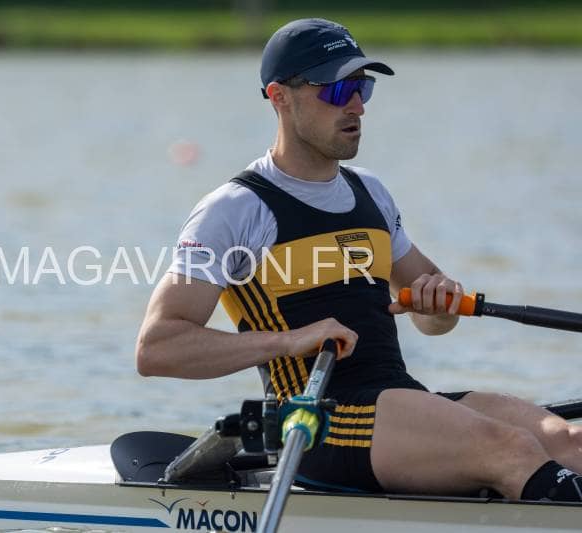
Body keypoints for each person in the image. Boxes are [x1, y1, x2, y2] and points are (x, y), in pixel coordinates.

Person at [135, 18, 582, 502]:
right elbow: (157, 348)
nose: (355, 106)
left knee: (570, 443)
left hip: (396, 401)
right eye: (336, 90)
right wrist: (289, 341)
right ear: (280, 96)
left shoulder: (370, 192)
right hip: (316, 423)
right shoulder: (235, 210)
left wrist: (438, 305)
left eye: (362, 88)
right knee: (510, 448)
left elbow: (434, 321)